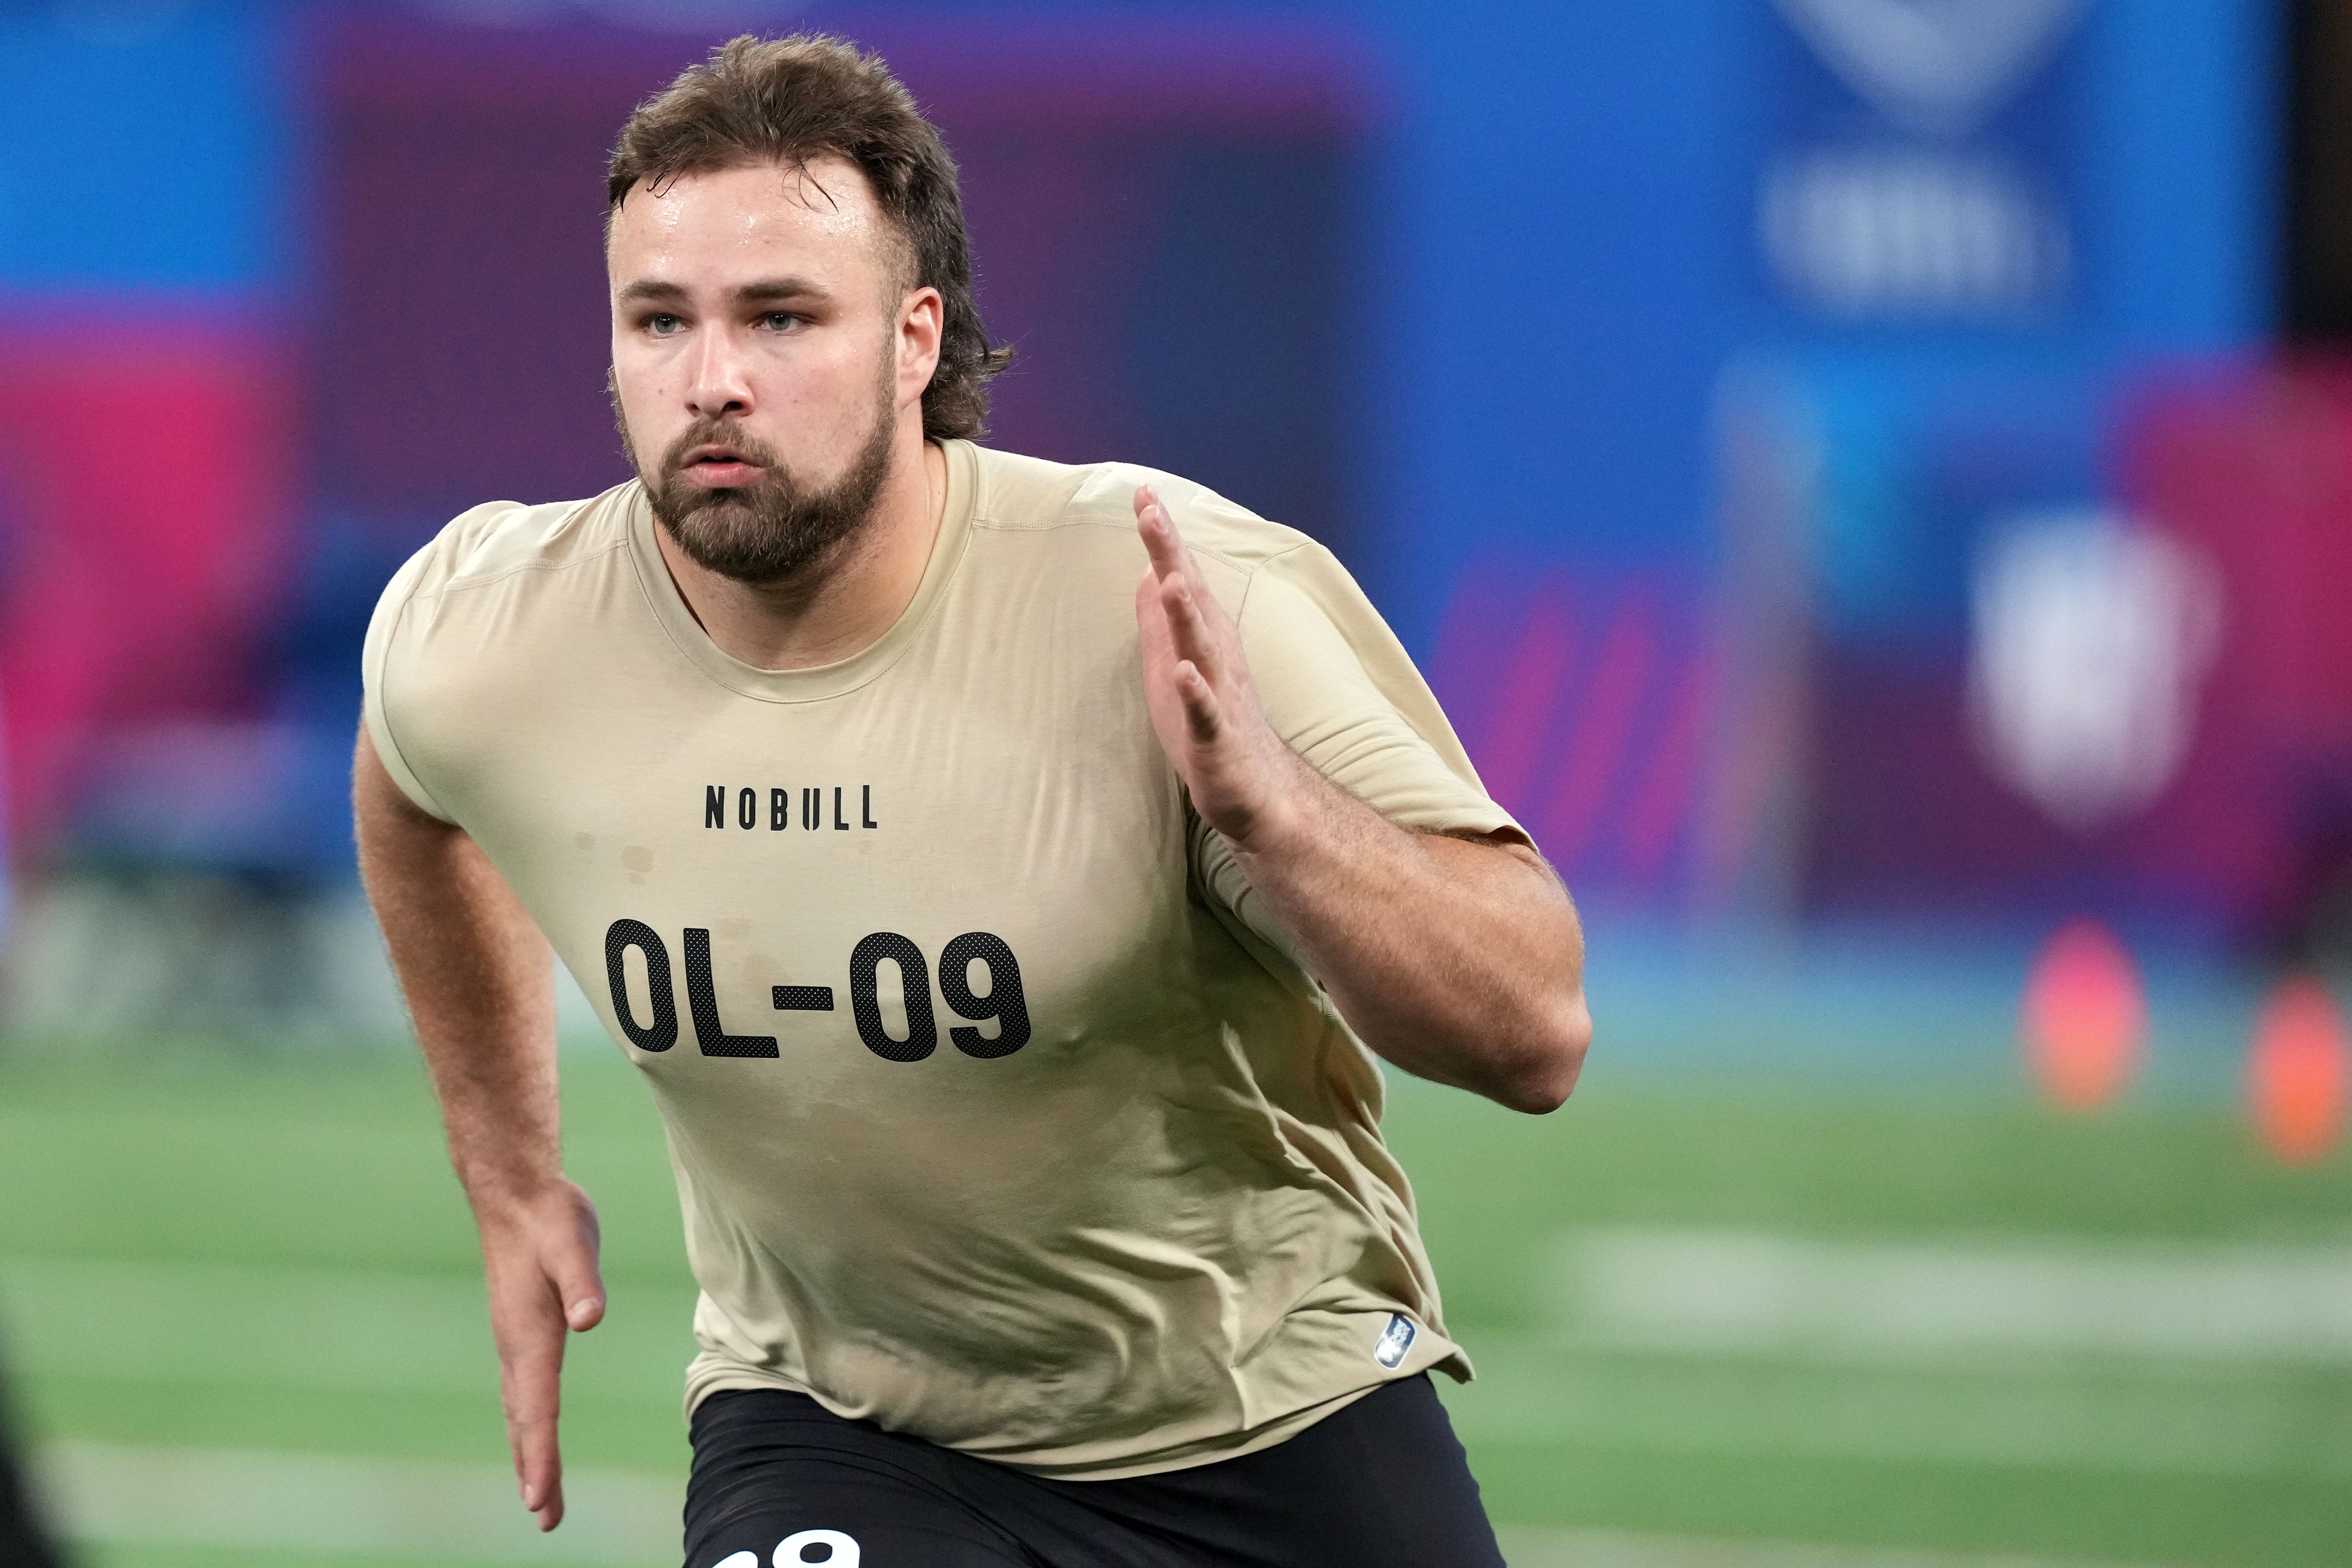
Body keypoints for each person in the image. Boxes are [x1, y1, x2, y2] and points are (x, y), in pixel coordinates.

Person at [355, 33, 1589, 1568]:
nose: (711, 378)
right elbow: (407, 787)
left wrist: (1275, 816)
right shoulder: (497, 628)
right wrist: (507, 1168)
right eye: (657, 319)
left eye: (781, 316)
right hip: (842, 1430)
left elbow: (1533, 1030)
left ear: (913, 340)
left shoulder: (1173, 592)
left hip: (1262, 1417)